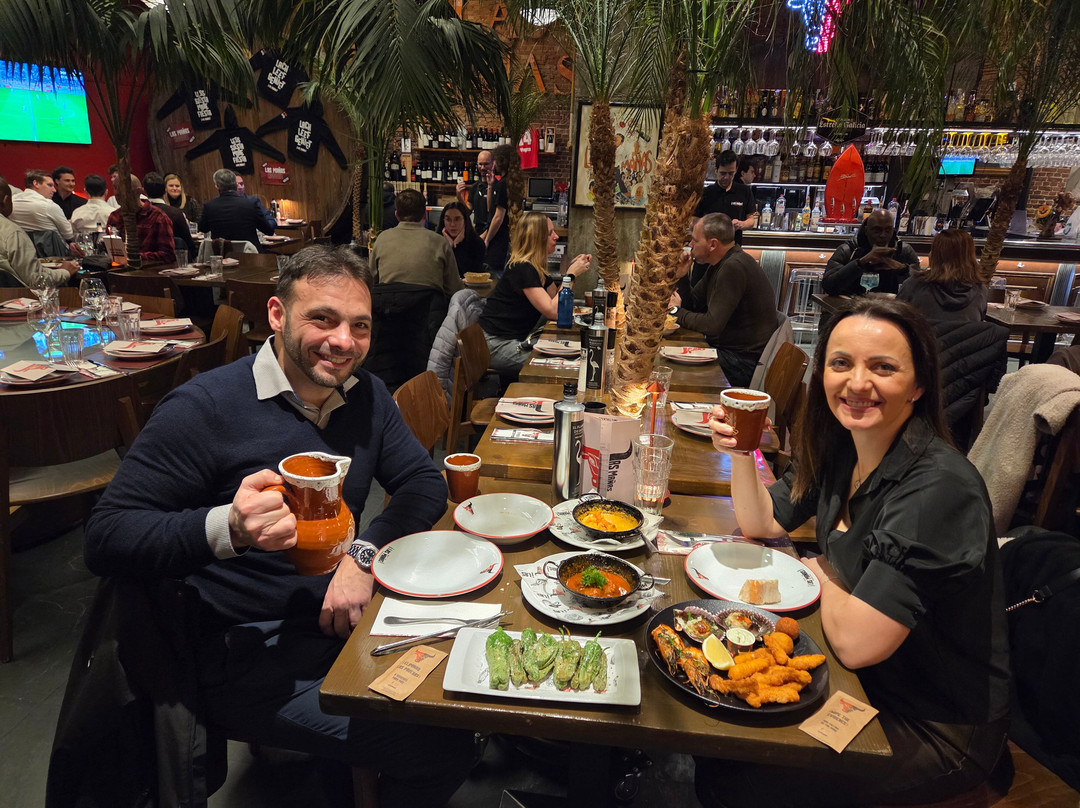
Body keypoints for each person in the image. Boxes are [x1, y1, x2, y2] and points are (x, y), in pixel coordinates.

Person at [82, 245, 482, 804]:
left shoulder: (365, 395)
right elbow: (106, 536)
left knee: (471, 679)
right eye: (323, 318)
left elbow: (421, 481)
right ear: (277, 314)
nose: (343, 341)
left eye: (359, 326)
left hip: (342, 619)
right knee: (443, 745)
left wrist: (362, 556)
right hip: (244, 650)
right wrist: (227, 527)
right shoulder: (204, 407)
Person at [697, 296, 1009, 808]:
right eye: (841, 363)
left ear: (919, 384)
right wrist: (741, 453)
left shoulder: (938, 488)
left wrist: (815, 569)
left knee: (736, 779)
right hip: (860, 681)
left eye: (883, 368)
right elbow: (762, 522)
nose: (857, 383)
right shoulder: (843, 445)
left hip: (931, 723)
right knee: (716, 731)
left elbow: (857, 644)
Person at [670, 213, 777, 388]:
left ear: (713, 244)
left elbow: (711, 326)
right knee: (672, 358)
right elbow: (694, 305)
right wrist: (681, 275)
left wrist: (676, 312)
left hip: (742, 363)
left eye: (695, 240)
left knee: (673, 368)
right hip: (730, 354)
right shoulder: (720, 264)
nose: (690, 245)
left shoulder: (733, 267)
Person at [479, 211, 591, 377]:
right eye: (550, 233)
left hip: (508, 340)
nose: (556, 237)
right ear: (537, 239)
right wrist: (571, 275)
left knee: (566, 359)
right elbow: (554, 311)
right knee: (558, 365)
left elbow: (555, 299)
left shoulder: (536, 268)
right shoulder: (522, 268)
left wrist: (571, 269)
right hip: (493, 344)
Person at [369, 189, 462, 296]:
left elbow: (370, 282)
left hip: (389, 305)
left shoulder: (382, 239)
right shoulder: (440, 242)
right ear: (425, 215)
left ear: (397, 215)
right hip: (429, 305)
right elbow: (455, 289)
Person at [0, 175, 77, 286]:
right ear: (5, 200)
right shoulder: (12, 233)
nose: (54, 190)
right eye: (50, 185)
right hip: (15, 294)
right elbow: (35, 279)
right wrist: (65, 272)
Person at [897, 229, 989, 322]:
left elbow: (896, 320)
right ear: (970, 256)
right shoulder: (981, 291)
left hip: (923, 332)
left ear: (934, 255)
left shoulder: (914, 285)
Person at [823, 209, 920, 296]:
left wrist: (902, 268)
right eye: (877, 230)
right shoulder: (848, 250)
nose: (883, 235)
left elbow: (920, 288)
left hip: (892, 308)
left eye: (888, 230)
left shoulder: (903, 251)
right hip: (851, 307)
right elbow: (829, 286)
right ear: (866, 230)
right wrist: (861, 262)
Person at [455, 149, 509, 276]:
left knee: (492, 273)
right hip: (478, 235)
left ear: (493, 164)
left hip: (494, 237)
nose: (483, 167)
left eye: (486, 164)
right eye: (480, 164)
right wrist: (459, 196)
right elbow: (468, 211)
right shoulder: (475, 187)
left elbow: (496, 214)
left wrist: (486, 237)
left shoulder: (500, 186)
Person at [106, 176, 176, 268]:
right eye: (115, 188)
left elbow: (168, 255)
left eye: (123, 189)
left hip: (149, 272)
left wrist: (136, 257)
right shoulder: (115, 216)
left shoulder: (157, 217)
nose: (117, 193)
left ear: (139, 192)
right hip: (118, 270)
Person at [198, 168, 276, 249]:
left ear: (217, 186)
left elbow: (203, 229)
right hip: (250, 254)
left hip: (222, 253)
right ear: (235, 185)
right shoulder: (250, 204)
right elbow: (269, 231)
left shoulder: (209, 206)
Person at [694, 149, 758, 245]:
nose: (726, 177)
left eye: (731, 173)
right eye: (723, 173)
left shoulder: (744, 191)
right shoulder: (706, 192)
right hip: (709, 247)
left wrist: (740, 224)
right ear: (716, 170)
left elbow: (751, 221)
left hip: (733, 248)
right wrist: (707, 226)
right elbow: (694, 219)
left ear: (736, 170)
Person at [8, 169, 76, 244]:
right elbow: (69, 235)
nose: (54, 190)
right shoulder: (49, 206)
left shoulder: (11, 202)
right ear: (36, 184)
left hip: (21, 247)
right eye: (50, 185)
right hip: (53, 250)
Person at [143, 171, 198, 258]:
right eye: (171, 186)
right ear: (165, 190)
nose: (174, 188)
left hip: (145, 258)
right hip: (173, 259)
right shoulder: (175, 213)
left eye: (177, 186)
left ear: (144, 191)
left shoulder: (139, 213)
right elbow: (189, 243)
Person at [439, 201, 485, 277]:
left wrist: (457, 246)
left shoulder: (477, 243)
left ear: (465, 220)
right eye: (448, 219)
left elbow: (470, 274)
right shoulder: (437, 242)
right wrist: (449, 246)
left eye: (457, 219)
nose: (452, 224)